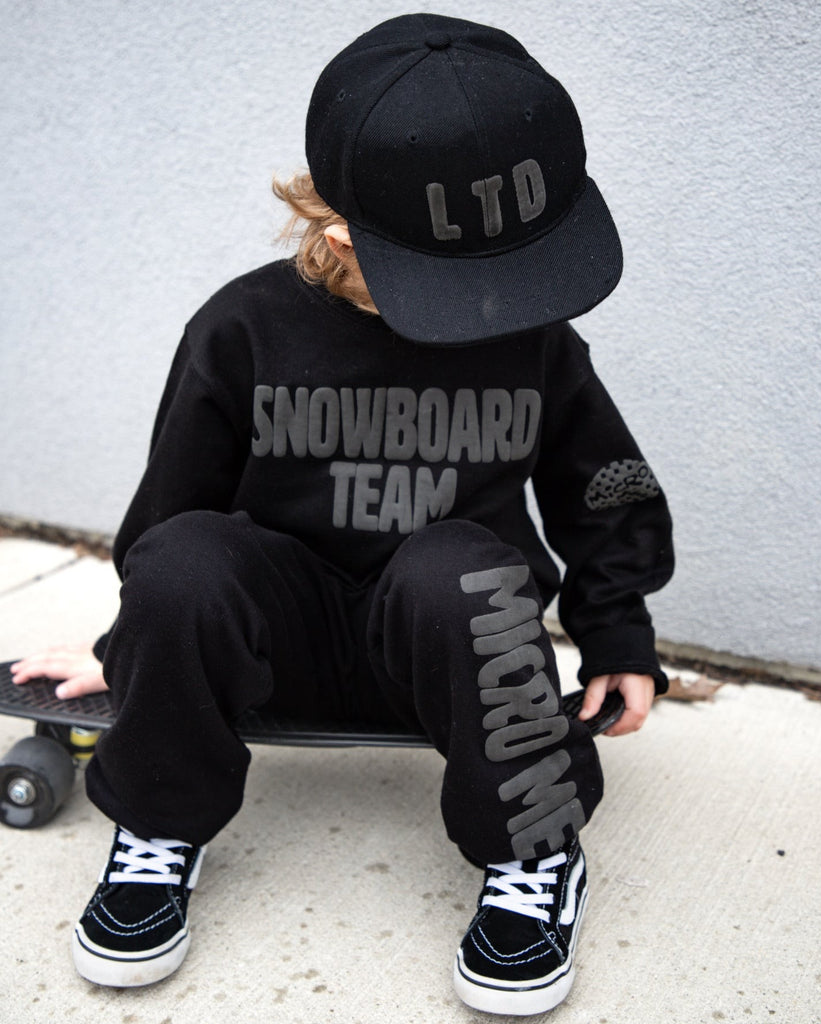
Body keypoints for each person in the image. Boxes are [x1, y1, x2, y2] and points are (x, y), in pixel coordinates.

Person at [12, 13, 674, 1016]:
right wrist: (135, 651)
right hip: (277, 647)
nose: (494, 305)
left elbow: (609, 484)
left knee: (461, 566)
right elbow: (169, 514)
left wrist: (618, 629)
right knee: (186, 558)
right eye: (464, 283)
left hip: (456, 647)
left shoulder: (534, 341)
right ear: (341, 240)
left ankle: (535, 853)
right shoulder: (242, 327)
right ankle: (159, 828)